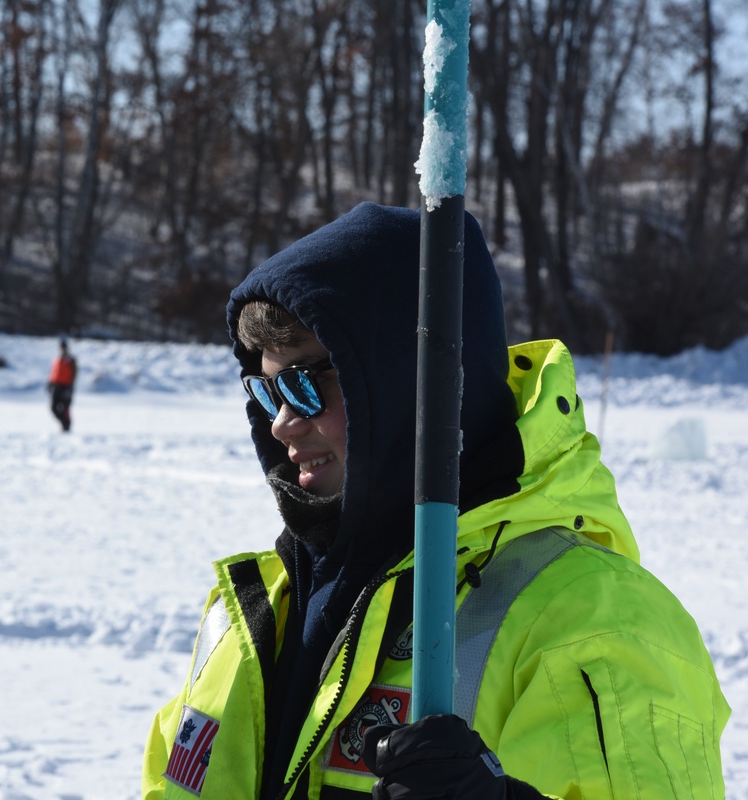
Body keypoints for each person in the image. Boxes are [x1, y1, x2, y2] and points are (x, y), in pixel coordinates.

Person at [141, 202, 729, 799]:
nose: (282, 424)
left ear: (404, 382)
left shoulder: (596, 620)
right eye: (267, 392)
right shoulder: (253, 612)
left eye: (305, 383)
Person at [47, 338, 77, 432]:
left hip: (66, 386)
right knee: (53, 408)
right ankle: (64, 423)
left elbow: (74, 374)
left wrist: (70, 387)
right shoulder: (57, 359)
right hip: (56, 386)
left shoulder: (70, 360)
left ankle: (67, 426)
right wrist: (50, 383)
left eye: (64, 347)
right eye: (61, 347)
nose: (62, 349)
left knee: (65, 408)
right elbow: (54, 373)